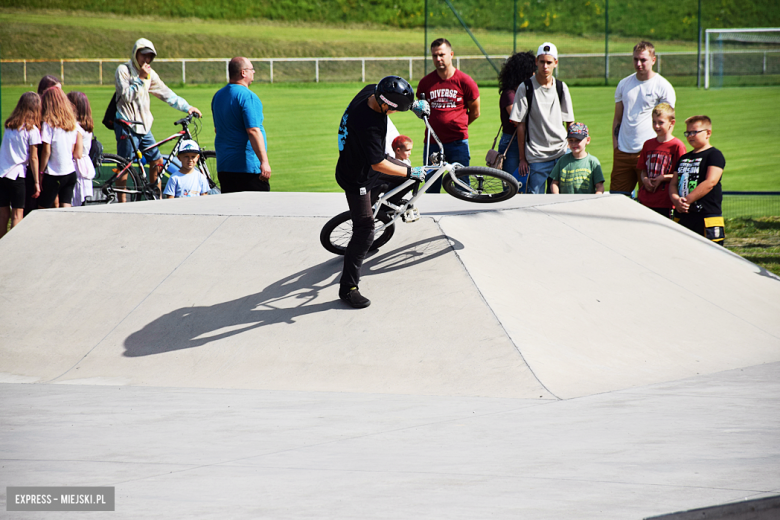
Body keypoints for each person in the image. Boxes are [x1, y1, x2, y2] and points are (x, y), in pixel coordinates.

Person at [335, 76, 429, 308]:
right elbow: (378, 163)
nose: (395, 113)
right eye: (396, 110)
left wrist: (413, 105)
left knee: (411, 175)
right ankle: (348, 288)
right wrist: (409, 172)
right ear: (385, 105)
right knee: (365, 230)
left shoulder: (372, 91)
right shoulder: (370, 124)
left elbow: (390, 89)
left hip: (367, 160)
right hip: (357, 175)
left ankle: (386, 210)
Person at [114, 38, 201, 199]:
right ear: (136, 54)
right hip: (127, 124)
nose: (146, 60)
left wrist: (187, 107)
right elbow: (126, 97)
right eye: (143, 56)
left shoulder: (150, 74)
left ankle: (156, 199)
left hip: (144, 126)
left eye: (149, 57)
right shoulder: (123, 70)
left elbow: (166, 93)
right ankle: (122, 203)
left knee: (157, 160)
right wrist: (140, 78)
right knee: (124, 165)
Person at [611, 41, 676, 197]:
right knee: (617, 199)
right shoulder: (623, 84)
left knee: (649, 199)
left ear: (653, 60)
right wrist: (616, 147)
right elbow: (617, 119)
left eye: (643, 60)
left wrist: (660, 150)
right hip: (622, 152)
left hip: (649, 153)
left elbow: (668, 122)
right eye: (635, 59)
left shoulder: (663, 86)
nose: (638, 64)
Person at [509, 42, 575, 194]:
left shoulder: (561, 87)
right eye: (542, 62)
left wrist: (571, 150)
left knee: (560, 200)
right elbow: (520, 125)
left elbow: (570, 121)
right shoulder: (525, 87)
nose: (545, 66)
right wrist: (522, 159)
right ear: (536, 62)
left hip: (561, 153)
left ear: (556, 63)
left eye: (549, 62)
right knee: (535, 200)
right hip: (536, 156)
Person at [415, 38, 480, 192]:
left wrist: (459, 124)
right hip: (432, 143)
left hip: (458, 142)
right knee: (430, 186)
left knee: (462, 184)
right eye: (434, 56)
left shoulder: (465, 81)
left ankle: (464, 214)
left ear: (451, 54)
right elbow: (421, 110)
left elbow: (475, 112)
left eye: (442, 54)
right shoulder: (426, 83)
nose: (438, 59)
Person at [211, 56, 271, 193]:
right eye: (251, 69)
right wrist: (264, 162)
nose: (253, 72)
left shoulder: (218, 96)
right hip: (247, 168)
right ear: (243, 73)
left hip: (224, 166)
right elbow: (253, 131)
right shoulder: (247, 96)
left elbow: (217, 129)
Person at [669, 115, 727, 245]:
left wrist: (687, 200)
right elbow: (673, 183)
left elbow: (710, 182)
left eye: (694, 132)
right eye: (687, 133)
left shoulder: (714, 155)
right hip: (683, 216)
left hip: (706, 218)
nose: (690, 136)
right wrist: (676, 200)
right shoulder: (684, 158)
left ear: (708, 133)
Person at [0, 92, 41, 238]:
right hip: (17, 175)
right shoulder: (32, 130)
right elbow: (34, 158)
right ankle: (13, 245)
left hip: (2, 172)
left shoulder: (9, 125)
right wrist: (37, 182)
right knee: (18, 214)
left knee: (3, 215)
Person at [636, 103, 687, 218]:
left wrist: (662, 178)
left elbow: (681, 174)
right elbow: (642, 169)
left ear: (671, 123)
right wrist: (645, 180)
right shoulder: (648, 144)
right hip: (646, 199)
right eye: (654, 122)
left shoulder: (677, 146)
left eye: (660, 122)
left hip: (665, 201)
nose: (656, 126)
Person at [38, 85, 81, 209]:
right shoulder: (72, 123)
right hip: (70, 172)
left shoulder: (48, 124)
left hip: (54, 173)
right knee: (66, 207)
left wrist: (41, 172)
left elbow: (46, 151)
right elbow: (72, 148)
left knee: (43, 209)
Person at [496, 51, 536, 180]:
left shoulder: (525, 92)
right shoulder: (510, 94)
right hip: (512, 144)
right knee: (512, 185)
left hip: (528, 141)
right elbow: (518, 120)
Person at [550, 123, 604, 195]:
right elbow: (554, 183)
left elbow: (600, 186)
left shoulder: (593, 162)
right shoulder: (562, 160)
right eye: (571, 140)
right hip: (565, 202)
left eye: (577, 140)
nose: (573, 143)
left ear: (588, 140)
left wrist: (594, 199)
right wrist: (557, 196)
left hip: (586, 203)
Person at [67, 91, 96, 207]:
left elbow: (77, 153)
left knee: (76, 200)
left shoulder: (76, 128)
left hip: (78, 167)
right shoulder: (86, 125)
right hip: (85, 164)